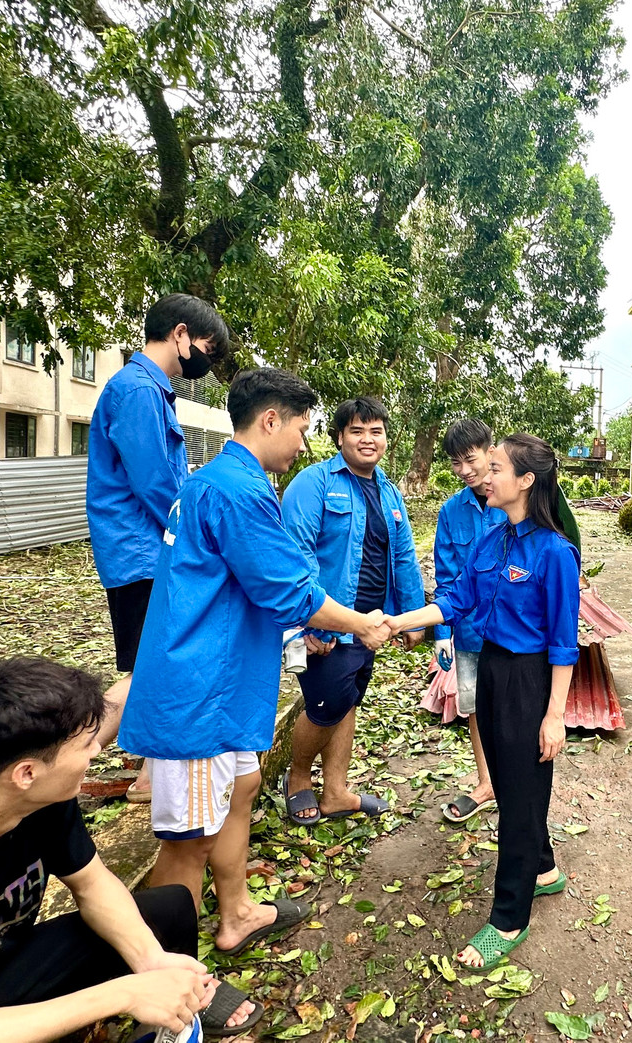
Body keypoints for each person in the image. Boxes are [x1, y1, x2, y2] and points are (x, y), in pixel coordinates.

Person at [0, 656, 262, 1043]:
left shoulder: (39, 800)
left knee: (167, 911)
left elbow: (93, 884)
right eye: (85, 745)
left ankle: (169, 1018)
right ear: (26, 772)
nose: (98, 751)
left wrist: (151, 962)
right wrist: (121, 994)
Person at [117, 370, 392, 959]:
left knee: (242, 788)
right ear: (271, 420)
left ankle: (237, 911)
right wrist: (363, 624)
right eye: (301, 428)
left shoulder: (236, 481)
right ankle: (173, 978)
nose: (302, 442)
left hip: (231, 681)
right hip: (200, 692)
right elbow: (289, 589)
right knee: (186, 843)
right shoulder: (234, 490)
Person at [388, 433, 581, 968]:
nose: (484, 476)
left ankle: (508, 917)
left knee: (520, 796)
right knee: (509, 779)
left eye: (495, 468)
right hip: (490, 666)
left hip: (529, 678)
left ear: (526, 481)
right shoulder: (491, 539)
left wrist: (554, 715)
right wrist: (405, 621)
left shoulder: (556, 552)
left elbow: (565, 642)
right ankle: (542, 868)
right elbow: (455, 599)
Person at [87, 293, 230, 801]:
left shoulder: (150, 391)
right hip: (143, 552)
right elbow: (155, 484)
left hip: (146, 549)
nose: (205, 362)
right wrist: (200, 535)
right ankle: (69, 753)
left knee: (153, 663)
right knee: (147, 664)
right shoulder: (137, 392)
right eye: (206, 349)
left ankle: (147, 773)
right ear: (180, 335)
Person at [279, 397, 425, 826]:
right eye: (357, 431)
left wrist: (413, 615)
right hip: (329, 626)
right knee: (325, 706)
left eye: (375, 431)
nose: (367, 439)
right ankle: (299, 779)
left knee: (348, 701)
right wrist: (310, 619)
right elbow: (296, 555)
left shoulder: (390, 491)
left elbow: (403, 555)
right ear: (339, 436)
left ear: (385, 438)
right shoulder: (313, 483)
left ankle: (337, 792)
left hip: (371, 626)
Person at [430, 418, 507, 823]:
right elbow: (446, 576)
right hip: (470, 632)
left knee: (515, 709)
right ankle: (485, 782)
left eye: (470, 459)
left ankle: (515, 787)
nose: (465, 470)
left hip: (515, 635)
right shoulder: (450, 511)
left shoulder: (517, 496)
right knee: (475, 705)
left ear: (490, 450)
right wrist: (442, 633)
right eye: (456, 463)